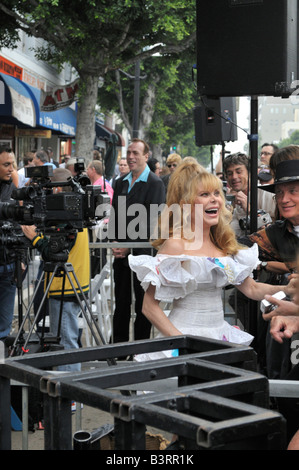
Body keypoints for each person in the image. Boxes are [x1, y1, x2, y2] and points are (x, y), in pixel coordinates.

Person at [128, 160, 295, 362]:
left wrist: (287, 290)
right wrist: (182, 343)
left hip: (218, 337)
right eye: (205, 195)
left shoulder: (223, 245)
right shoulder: (176, 245)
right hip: (182, 338)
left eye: (217, 193)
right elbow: (149, 307)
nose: (214, 200)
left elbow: (251, 289)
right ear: (188, 203)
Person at [22, 168, 90, 371]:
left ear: (58, 188)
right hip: (74, 284)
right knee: (68, 340)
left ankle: (68, 395)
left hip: (66, 287)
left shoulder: (67, 214)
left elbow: (56, 252)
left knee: (65, 345)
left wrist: (34, 237)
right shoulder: (76, 209)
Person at [108, 138, 166, 344]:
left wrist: (129, 246)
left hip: (144, 255)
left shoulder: (155, 183)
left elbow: (154, 223)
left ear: (146, 156)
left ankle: (142, 350)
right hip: (121, 256)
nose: (131, 157)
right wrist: (114, 241)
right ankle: (118, 348)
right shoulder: (120, 181)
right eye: (129, 153)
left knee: (144, 305)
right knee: (121, 302)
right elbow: (115, 214)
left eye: (136, 153)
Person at [0, 146, 20, 340]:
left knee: (3, 329)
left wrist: (21, 259)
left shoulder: (14, 192)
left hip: (9, 267)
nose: (11, 169)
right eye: (6, 164)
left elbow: (20, 226)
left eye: (12, 164)